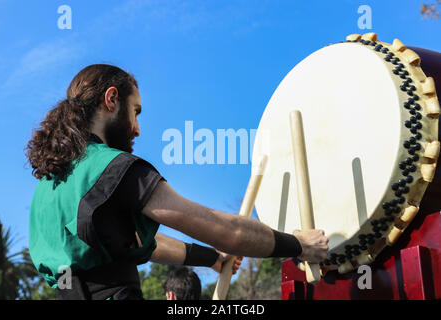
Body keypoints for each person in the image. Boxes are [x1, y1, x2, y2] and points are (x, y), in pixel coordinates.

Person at [26, 64, 329, 300]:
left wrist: (211, 258)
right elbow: (226, 231)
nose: (137, 129)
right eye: (135, 112)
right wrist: (298, 245)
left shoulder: (49, 184)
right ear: (111, 99)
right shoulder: (114, 168)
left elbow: (148, 245)